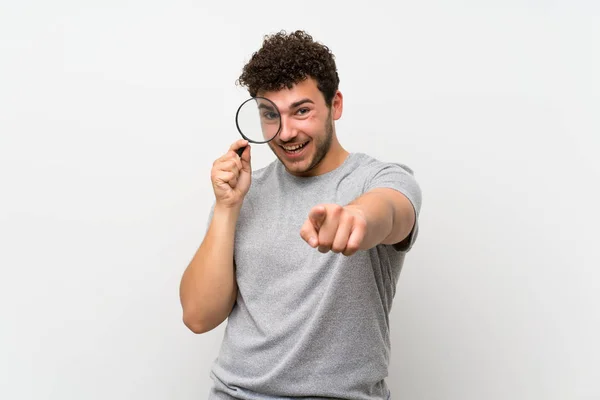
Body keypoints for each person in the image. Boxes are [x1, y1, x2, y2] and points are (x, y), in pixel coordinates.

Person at [179, 30, 422, 400]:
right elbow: (198, 317)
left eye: (302, 110)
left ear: (335, 105)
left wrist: (357, 217)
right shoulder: (243, 193)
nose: (286, 132)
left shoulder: (379, 179)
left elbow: (391, 212)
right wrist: (228, 208)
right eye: (270, 115)